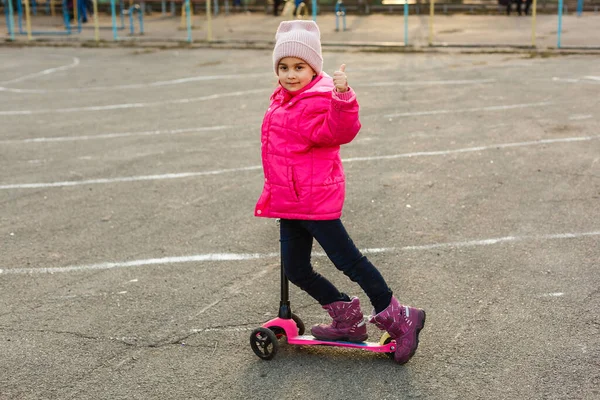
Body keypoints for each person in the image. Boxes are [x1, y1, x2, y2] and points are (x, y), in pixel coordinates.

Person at [254, 20, 426, 364]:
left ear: (313, 68)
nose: (290, 74)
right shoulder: (283, 99)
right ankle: (347, 320)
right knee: (297, 269)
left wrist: (343, 98)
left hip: (315, 199)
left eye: (299, 67)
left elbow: (341, 129)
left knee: (349, 261)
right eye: (283, 67)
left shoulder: (321, 99)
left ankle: (400, 316)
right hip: (289, 202)